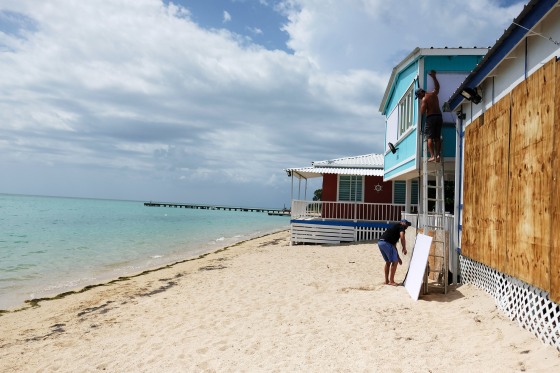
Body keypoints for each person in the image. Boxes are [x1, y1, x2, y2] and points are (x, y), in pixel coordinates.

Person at [415, 70, 443, 162]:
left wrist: (422, 108)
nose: (419, 98)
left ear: (421, 93)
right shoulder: (433, 94)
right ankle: (438, 155)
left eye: (418, 96)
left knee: (430, 137)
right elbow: (437, 87)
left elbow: (422, 111)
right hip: (439, 117)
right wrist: (434, 77)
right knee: (437, 137)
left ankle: (432, 156)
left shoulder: (424, 98)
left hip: (431, 118)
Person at [377, 219, 411, 286]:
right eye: (407, 224)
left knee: (388, 262)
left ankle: (387, 280)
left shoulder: (394, 229)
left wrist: (398, 258)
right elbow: (402, 237)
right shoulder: (401, 226)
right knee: (394, 262)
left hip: (380, 242)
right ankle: (391, 281)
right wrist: (404, 248)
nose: (407, 226)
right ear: (402, 223)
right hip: (387, 243)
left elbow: (394, 247)